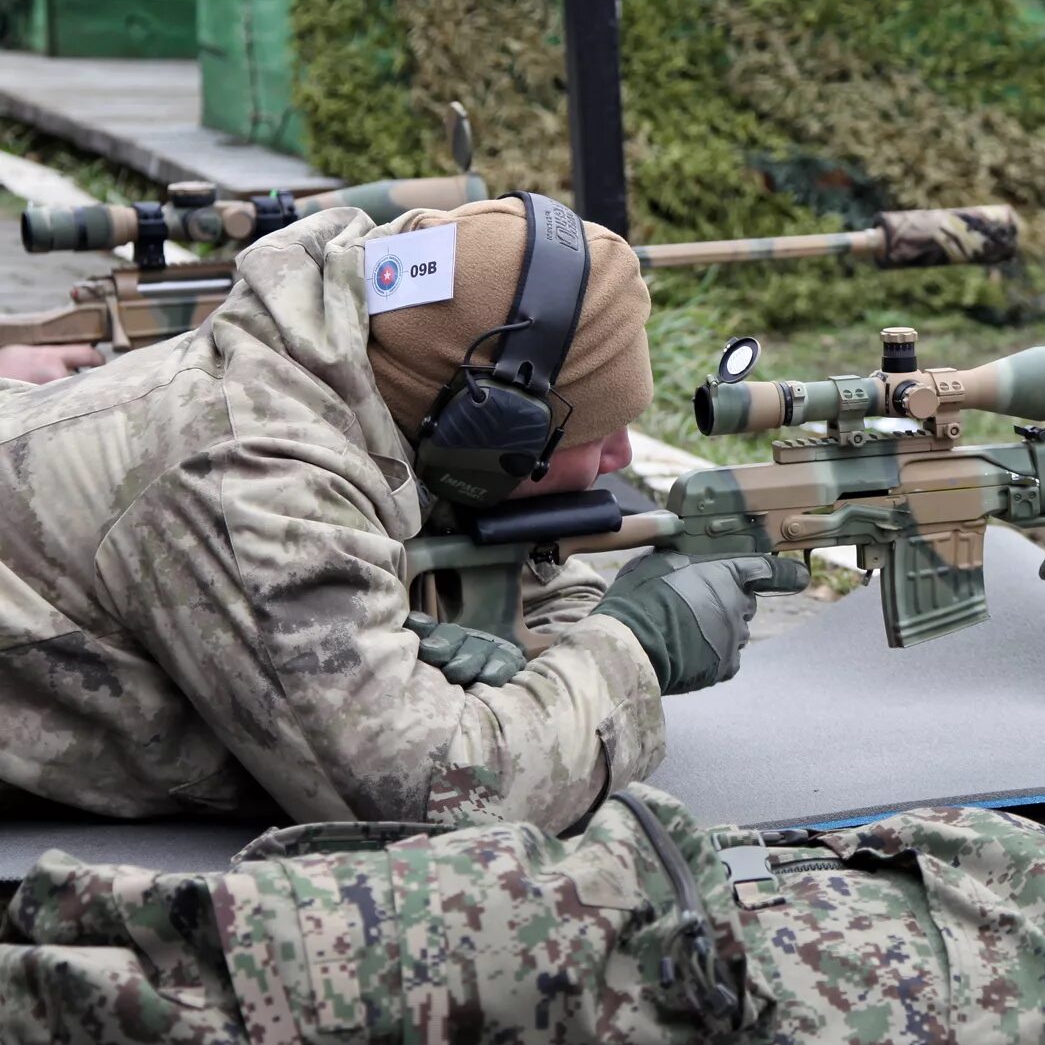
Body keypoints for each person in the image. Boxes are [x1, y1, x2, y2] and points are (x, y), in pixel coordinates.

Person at [0, 196, 799, 833]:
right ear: (486, 430)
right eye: (595, 429)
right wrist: (633, 651)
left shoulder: (366, 374)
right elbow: (438, 802)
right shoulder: (254, 478)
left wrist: (547, 651)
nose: (623, 456)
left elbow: (519, 578)